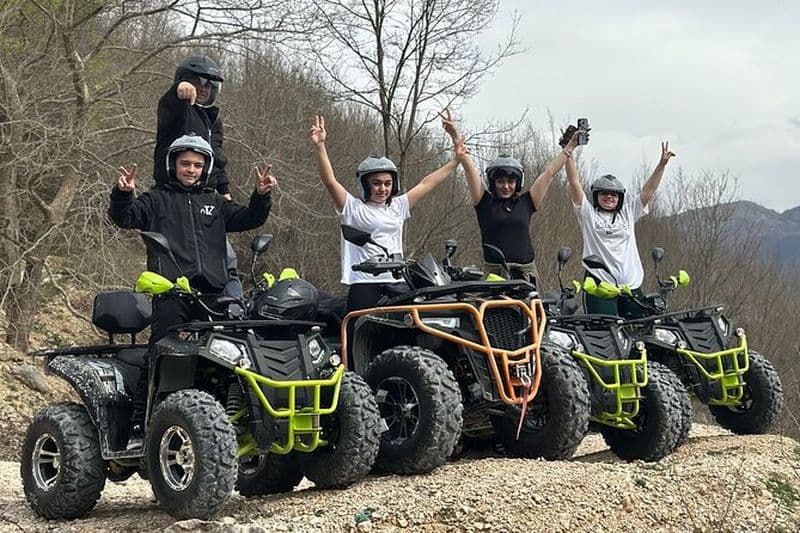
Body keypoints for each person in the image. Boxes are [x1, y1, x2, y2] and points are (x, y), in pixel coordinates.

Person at [109, 134, 275, 434]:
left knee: (231, 359)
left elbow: (249, 218)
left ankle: (230, 423)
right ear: (172, 164)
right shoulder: (155, 199)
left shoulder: (214, 202)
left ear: (206, 168)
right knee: (161, 353)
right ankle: (139, 422)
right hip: (172, 295)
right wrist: (123, 194)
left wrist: (261, 196)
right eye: (185, 163)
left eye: (198, 165)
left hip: (214, 296)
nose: (191, 169)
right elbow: (125, 218)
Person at [309, 114, 467, 311]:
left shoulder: (398, 206)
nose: (382, 189)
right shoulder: (352, 207)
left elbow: (427, 183)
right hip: (364, 281)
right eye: (376, 184)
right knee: (357, 330)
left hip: (396, 280)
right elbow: (330, 180)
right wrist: (320, 146)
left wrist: (455, 161)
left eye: (387, 184)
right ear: (365, 185)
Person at [442, 110, 580, 284]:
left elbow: (549, 173)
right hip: (494, 275)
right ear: (493, 183)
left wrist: (569, 148)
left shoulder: (526, 202)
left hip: (525, 275)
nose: (506, 186)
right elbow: (468, 166)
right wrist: (455, 134)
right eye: (500, 181)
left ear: (517, 183)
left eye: (510, 182)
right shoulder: (483, 202)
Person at [565, 140, 676, 315]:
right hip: (600, 284)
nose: (609, 197)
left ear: (619, 198)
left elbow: (648, 191)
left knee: (643, 330)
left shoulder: (628, 213)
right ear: (596, 196)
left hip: (630, 284)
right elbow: (574, 183)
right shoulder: (588, 214)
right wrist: (568, 153)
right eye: (603, 193)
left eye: (613, 194)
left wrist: (661, 164)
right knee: (603, 334)